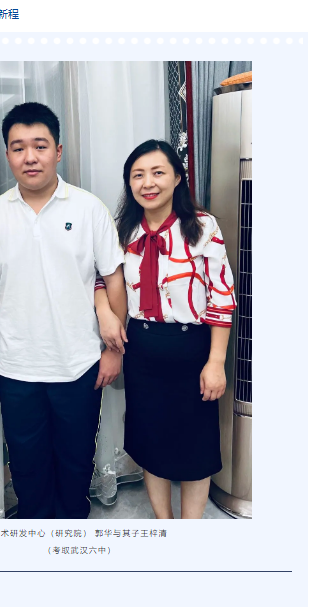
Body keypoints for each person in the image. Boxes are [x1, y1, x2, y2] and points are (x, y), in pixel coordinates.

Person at [0, 102, 127, 519]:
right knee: (26, 463)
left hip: (79, 363)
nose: (30, 157)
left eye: (40, 146)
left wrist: (114, 351)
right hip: (16, 366)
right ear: (7, 155)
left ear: (58, 151)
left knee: (76, 461)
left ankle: (70, 531)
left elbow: (113, 279)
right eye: (18, 147)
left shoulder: (88, 208)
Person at [95, 139, 236, 519]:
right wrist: (104, 311)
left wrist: (216, 362)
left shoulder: (202, 227)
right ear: (129, 183)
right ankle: (164, 524)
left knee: (196, 446)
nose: (148, 183)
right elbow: (99, 278)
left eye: (158, 172)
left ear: (177, 177)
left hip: (193, 349)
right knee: (151, 441)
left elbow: (222, 297)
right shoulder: (122, 231)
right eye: (137, 175)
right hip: (141, 347)